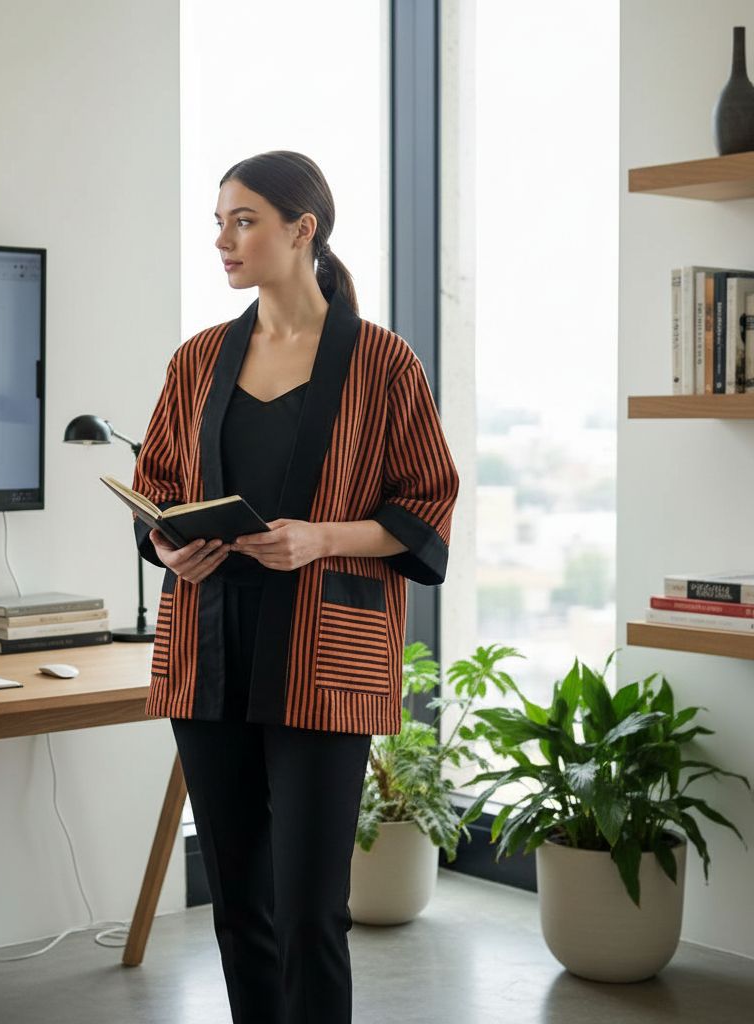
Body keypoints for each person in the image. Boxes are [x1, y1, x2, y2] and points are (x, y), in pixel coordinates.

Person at [130, 150, 460, 1024]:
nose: (223, 240)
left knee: (312, 912)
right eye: (218, 222)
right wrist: (167, 547)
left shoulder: (383, 363)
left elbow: (426, 504)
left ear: (302, 229)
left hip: (324, 653)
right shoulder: (198, 360)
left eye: (243, 221)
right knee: (239, 906)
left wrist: (320, 539)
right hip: (209, 650)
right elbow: (156, 488)